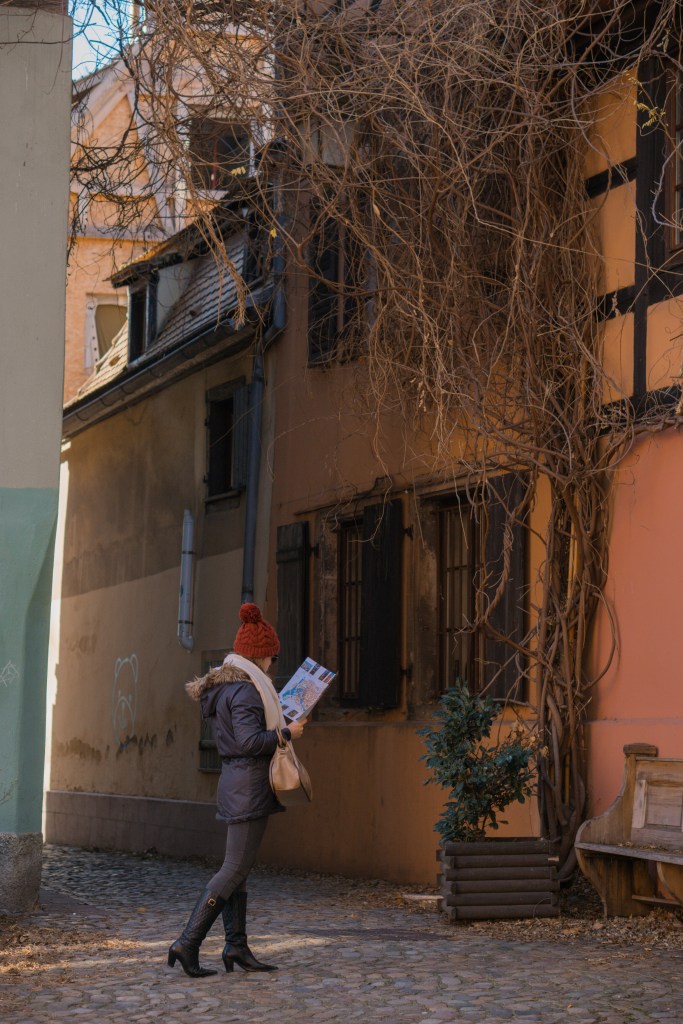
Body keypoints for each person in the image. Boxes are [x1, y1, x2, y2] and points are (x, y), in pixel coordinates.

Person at [167, 602, 306, 978]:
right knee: (234, 868)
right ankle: (188, 942)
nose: (273, 664)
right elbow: (248, 742)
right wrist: (286, 733)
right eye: (272, 657)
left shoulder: (230, 687)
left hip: (238, 781)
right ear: (259, 656)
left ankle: (236, 946)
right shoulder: (246, 691)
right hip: (247, 784)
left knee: (239, 870)